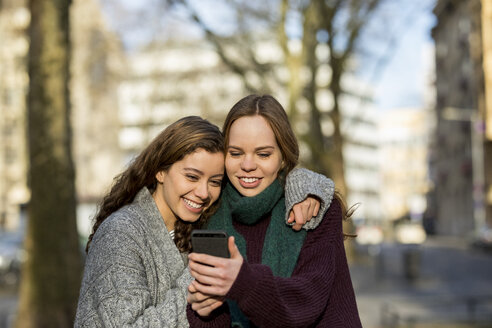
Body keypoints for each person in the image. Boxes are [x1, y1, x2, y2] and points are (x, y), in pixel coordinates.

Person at [75, 116, 333, 327]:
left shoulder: (196, 224)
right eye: (191, 176)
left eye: (214, 182)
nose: (203, 192)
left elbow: (256, 175)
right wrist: (197, 285)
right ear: (160, 171)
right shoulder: (121, 233)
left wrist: (307, 188)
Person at [187, 95, 362, 327]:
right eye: (236, 153)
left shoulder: (315, 209)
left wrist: (243, 282)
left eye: (263, 154)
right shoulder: (207, 210)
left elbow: (308, 299)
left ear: (282, 158)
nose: (248, 165)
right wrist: (203, 311)